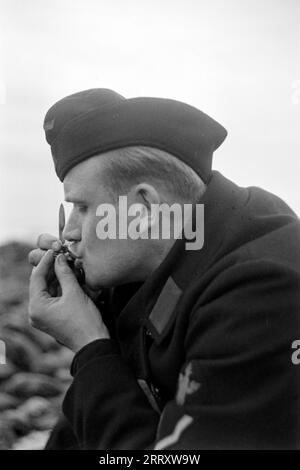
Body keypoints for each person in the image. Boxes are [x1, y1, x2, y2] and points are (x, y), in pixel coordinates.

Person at [28, 89, 300, 449]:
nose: (69, 233)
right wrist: (103, 310)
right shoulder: (192, 249)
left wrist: (91, 347)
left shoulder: (262, 294)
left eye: (82, 207)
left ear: (143, 208)